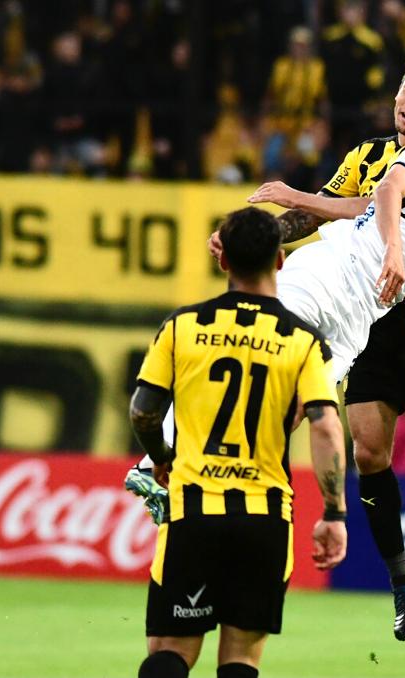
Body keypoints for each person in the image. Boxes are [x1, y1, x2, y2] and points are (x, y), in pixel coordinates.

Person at [127, 93, 405, 644]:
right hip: (327, 275)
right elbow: (384, 193)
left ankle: (194, 477)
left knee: (293, 408)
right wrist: (390, 247)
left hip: (356, 323)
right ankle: (155, 460)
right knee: (248, 353)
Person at [243, 49, 405, 646]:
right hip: (364, 313)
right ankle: (402, 581)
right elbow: (329, 214)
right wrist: (254, 236)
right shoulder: (370, 156)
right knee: (367, 452)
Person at [129, 207, 347, 678]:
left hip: (193, 511)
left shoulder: (182, 326)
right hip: (265, 519)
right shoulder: (303, 340)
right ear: (281, 261)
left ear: (223, 259)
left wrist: (161, 458)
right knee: (241, 659)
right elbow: (326, 426)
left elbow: (143, 410)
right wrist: (334, 513)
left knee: (169, 651)